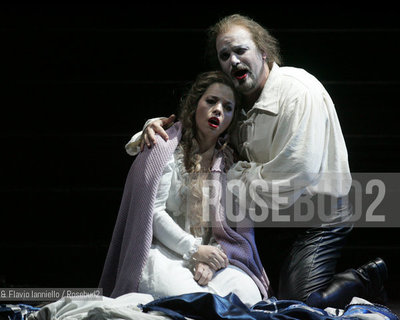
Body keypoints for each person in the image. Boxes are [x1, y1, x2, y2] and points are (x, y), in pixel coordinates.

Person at [124, 14, 387, 308]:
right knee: (263, 303)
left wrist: (234, 177)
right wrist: (151, 127)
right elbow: (191, 131)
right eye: (225, 55)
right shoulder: (237, 103)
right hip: (271, 217)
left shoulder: (297, 92)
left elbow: (295, 174)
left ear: (263, 51)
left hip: (318, 215)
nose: (234, 61)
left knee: (298, 304)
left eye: (240, 50)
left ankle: (365, 279)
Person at [99, 71, 270, 307]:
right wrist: (193, 250)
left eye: (227, 107)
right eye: (211, 101)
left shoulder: (230, 162)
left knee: (246, 292)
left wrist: (211, 259)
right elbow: (153, 212)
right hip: (166, 253)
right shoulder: (164, 146)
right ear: (195, 104)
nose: (218, 110)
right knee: (188, 298)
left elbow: (232, 230)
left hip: (210, 257)